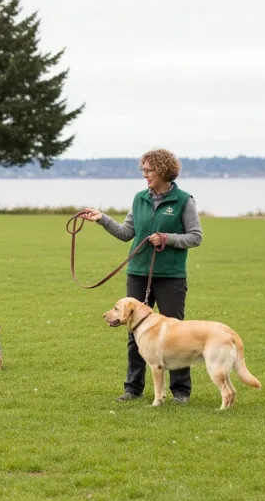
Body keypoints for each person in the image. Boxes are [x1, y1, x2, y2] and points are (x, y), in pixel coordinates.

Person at [82, 148, 203, 403]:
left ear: (163, 170)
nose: (145, 175)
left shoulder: (183, 200)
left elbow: (195, 236)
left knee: (176, 335)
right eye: (143, 170)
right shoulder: (139, 199)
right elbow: (128, 232)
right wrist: (102, 219)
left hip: (171, 276)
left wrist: (166, 238)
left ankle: (180, 392)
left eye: (149, 170)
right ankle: (132, 389)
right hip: (137, 273)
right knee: (134, 333)